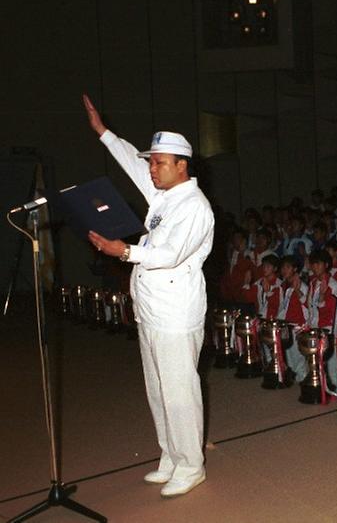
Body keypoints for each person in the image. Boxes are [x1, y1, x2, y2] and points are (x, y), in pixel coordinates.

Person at [83, 94, 213, 497]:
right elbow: (129, 162)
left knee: (179, 390)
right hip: (152, 310)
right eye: (151, 161)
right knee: (157, 388)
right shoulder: (163, 195)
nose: (151, 168)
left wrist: (123, 250)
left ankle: (191, 465)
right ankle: (170, 455)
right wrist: (104, 133)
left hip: (176, 314)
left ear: (181, 165)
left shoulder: (195, 207)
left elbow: (170, 254)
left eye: (158, 162)